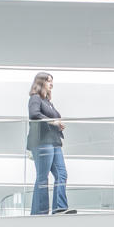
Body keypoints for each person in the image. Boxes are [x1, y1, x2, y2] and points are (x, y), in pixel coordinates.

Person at [27, 72, 74, 215]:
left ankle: (59, 207)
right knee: (43, 176)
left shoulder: (48, 102)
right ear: (41, 83)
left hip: (54, 142)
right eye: (48, 81)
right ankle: (39, 211)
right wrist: (53, 121)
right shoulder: (35, 98)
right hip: (42, 142)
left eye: (52, 81)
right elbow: (34, 114)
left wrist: (57, 124)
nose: (51, 84)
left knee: (62, 174)